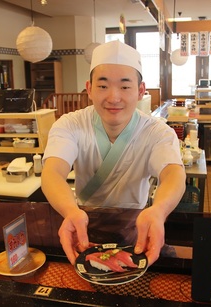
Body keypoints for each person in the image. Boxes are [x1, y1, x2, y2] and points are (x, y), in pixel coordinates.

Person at [41, 40, 186, 266]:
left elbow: (173, 174)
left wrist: (158, 210)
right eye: (103, 86)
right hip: (82, 227)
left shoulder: (157, 132)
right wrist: (70, 210)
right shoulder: (69, 124)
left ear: (140, 91)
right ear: (89, 89)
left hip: (137, 228)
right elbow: (52, 173)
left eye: (125, 86)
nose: (113, 97)